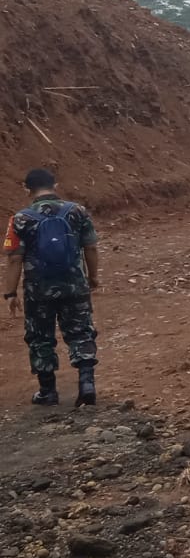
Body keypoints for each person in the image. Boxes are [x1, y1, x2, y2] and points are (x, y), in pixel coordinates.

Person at [3, 169, 100, 407]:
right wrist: (93, 278)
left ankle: (48, 391)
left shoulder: (20, 219)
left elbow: (15, 259)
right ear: (55, 184)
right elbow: (91, 248)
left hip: (38, 290)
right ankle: (86, 384)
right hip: (74, 285)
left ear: (27, 189)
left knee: (40, 338)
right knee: (80, 332)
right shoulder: (77, 211)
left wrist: (10, 292)